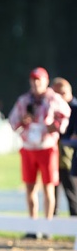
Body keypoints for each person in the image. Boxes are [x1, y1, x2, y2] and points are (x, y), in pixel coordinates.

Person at [9, 67, 70, 239]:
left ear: (45, 81)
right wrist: (23, 121)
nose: (36, 83)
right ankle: (33, 225)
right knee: (29, 187)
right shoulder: (24, 100)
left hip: (47, 146)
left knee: (48, 186)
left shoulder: (53, 99)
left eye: (39, 80)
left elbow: (66, 115)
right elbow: (13, 122)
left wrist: (57, 127)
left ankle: (47, 227)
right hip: (29, 147)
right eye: (33, 80)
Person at [50, 77, 77, 216]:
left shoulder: (74, 108)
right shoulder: (52, 108)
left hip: (69, 156)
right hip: (53, 153)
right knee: (52, 192)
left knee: (71, 190)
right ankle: (51, 224)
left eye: (62, 94)